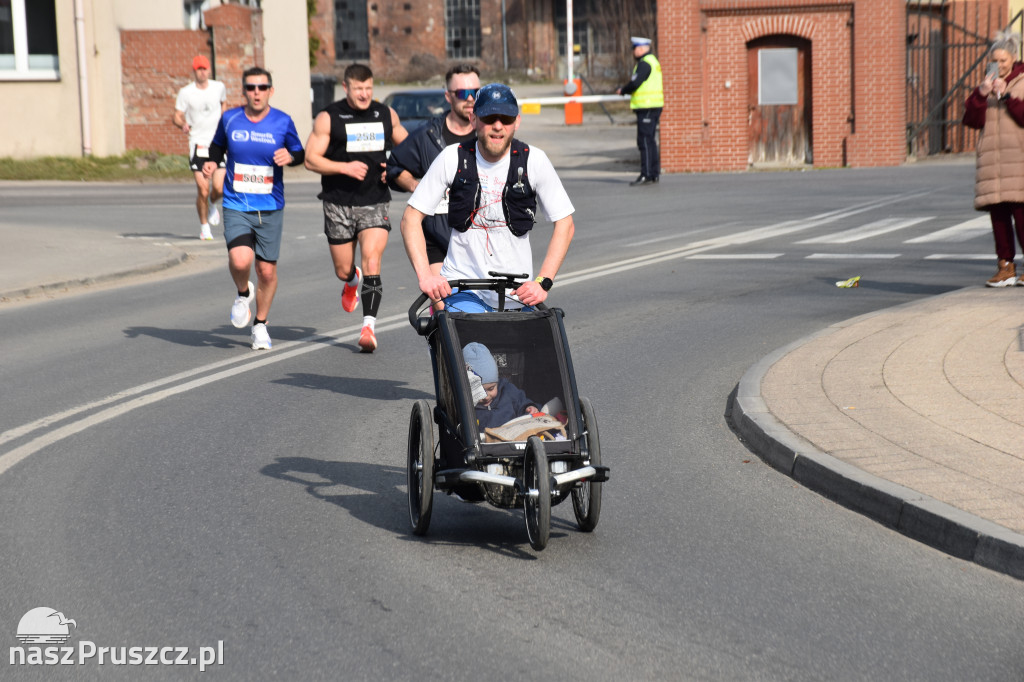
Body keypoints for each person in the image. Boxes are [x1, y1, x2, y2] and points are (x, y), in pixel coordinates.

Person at [400, 83, 575, 313]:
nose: (498, 126)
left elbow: (565, 223)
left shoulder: (534, 161)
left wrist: (543, 281)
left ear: (517, 122)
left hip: (517, 294)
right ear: (473, 120)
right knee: (475, 350)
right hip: (464, 289)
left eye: (506, 119)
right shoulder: (452, 158)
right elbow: (410, 219)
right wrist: (426, 277)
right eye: (489, 118)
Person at [304, 63, 408, 353]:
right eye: (358, 88)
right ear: (346, 87)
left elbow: (410, 147)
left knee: (372, 260)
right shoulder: (330, 117)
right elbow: (311, 159)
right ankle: (351, 281)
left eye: (369, 88)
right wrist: (343, 168)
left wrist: (398, 166)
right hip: (337, 202)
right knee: (342, 269)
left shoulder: (385, 114)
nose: (364, 94)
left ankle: (368, 328)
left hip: (375, 200)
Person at [203, 66, 305, 351]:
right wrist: (211, 162)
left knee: (267, 272)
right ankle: (242, 292)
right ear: (244, 91)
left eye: (262, 87)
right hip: (237, 203)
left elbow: (300, 152)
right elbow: (216, 147)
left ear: (270, 91)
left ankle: (260, 324)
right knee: (240, 261)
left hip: (271, 205)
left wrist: (292, 156)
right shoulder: (230, 118)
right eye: (250, 87)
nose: (256, 93)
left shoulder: (282, 121)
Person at [387, 64, 481, 283]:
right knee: (443, 305)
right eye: (462, 93)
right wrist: (416, 186)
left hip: (480, 236)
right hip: (437, 237)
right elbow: (394, 167)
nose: (470, 99)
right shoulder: (428, 136)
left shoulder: (488, 134)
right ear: (448, 96)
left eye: (475, 92)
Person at [964, 30, 1024, 287]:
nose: (999, 65)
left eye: (1003, 60)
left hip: (1019, 161)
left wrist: (1007, 97)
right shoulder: (986, 86)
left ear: (1014, 58)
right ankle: (1005, 267)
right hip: (992, 164)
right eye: (995, 60)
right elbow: (972, 121)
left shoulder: (1021, 82)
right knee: (998, 218)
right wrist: (980, 95)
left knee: (1022, 217)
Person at [173, 54, 228, 240]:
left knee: (219, 188)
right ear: (194, 71)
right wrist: (182, 124)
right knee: (203, 189)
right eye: (199, 69)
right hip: (197, 143)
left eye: (205, 69)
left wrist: (225, 122)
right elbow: (177, 115)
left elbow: (224, 105)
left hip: (218, 144)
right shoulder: (186, 92)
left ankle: (213, 203)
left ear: (209, 70)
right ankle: (204, 227)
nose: (202, 72)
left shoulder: (219, 87)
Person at [616, 36, 664, 186]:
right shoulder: (652, 62)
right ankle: (653, 173)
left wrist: (623, 90)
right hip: (652, 106)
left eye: (635, 48)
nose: (633, 51)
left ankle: (647, 174)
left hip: (647, 107)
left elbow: (635, 83)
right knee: (649, 140)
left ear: (642, 48)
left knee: (644, 140)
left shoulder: (645, 64)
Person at [463, 342, 538, 429]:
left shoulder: (507, 391)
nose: (486, 396)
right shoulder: (467, 407)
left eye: (491, 388)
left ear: (497, 382)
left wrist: (529, 407)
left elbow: (521, 402)